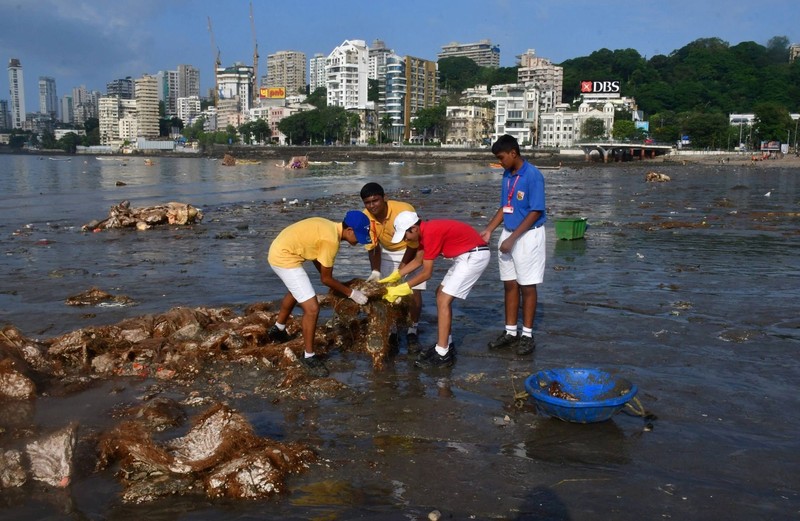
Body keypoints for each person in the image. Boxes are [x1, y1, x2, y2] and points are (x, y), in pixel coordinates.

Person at [267, 211, 373, 377]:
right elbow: (325, 279)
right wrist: (352, 293)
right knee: (312, 308)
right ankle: (309, 357)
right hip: (284, 257)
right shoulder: (331, 241)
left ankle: (278, 329)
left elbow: (318, 257)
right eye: (359, 236)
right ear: (350, 230)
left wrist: (335, 283)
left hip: (279, 248)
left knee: (298, 289)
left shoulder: (329, 226)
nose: (359, 241)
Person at [382, 211, 490, 369]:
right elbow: (419, 260)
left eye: (405, 235)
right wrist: (395, 276)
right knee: (439, 293)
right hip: (465, 256)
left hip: (475, 256)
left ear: (413, 228)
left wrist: (400, 289)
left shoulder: (431, 232)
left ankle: (442, 353)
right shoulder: (425, 231)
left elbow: (427, 273)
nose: (405, 240)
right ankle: (446, 344)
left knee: (443, 299)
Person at [480, 134, 546, 356]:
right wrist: (489, 229)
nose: (500, 162)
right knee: (509, 284)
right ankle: (510, 331)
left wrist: (513, 238)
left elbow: (536, 211)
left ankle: (527, 334)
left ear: (513, 153)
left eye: (501, 158)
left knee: (527, 286)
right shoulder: (507, 175)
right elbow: (504, 206)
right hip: (508, 233)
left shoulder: (533, 176)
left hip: (528, 236)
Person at [359, 182, 425, 350]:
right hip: (387, 252)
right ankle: (393, 329)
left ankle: (413, 329)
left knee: (414, 292)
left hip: (411, 249)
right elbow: (373, 247)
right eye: (368, 202)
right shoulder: (365, 217)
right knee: (386, 292)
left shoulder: (403, 210)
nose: (372, 205)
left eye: (375, 200)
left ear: (384, 198)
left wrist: (401, 271)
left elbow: (414, 242)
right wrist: (376, 271)